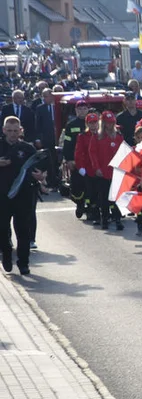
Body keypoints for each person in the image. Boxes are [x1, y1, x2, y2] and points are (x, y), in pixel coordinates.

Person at [0, 116, 45, 275]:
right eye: (9, 131)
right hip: (3, 196)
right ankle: (6, 254)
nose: (12, 134)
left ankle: (23, 263)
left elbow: (39, 167)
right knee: (3, 229)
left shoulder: (27, 148)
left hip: (24, 194)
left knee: (23, 231)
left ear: (20, 131)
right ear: (4, 130)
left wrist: (41, 175)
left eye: (15, 131)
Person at [89, 111, 124, 231]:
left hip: (116, 171)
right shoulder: (97, 137)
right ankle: (104, 219)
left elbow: (122, 152)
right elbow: (92, 154)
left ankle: (118, 219)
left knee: (117, 197)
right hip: (103, 171)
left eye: (112, 123)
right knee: (104, 197)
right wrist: (97, 168)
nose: (110, 125)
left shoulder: (118, 135)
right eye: (107, 123)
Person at [33, 89, 59, 187]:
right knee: (50, 160)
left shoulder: (58, 106)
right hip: (47, 139)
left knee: (58, 159)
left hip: (58, 138)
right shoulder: (40, 108)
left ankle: (58, 179)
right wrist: (38, 139)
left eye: (47, 96)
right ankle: (51, 181)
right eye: (44, 96)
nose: (45, 98)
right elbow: (37, 125)